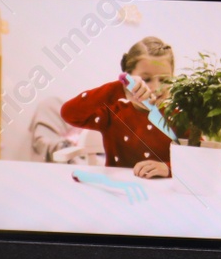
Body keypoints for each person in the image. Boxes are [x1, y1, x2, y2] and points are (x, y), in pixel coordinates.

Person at [61, 37, 177, 179]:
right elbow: (69, 113)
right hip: (118, 193)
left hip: (165, 196)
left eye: (164, 80)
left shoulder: (180, 116)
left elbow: (198, 162)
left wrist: (169, 168)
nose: (156, 88)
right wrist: (120, 88)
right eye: (146, 79)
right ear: (129, 79)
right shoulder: (113, 112)